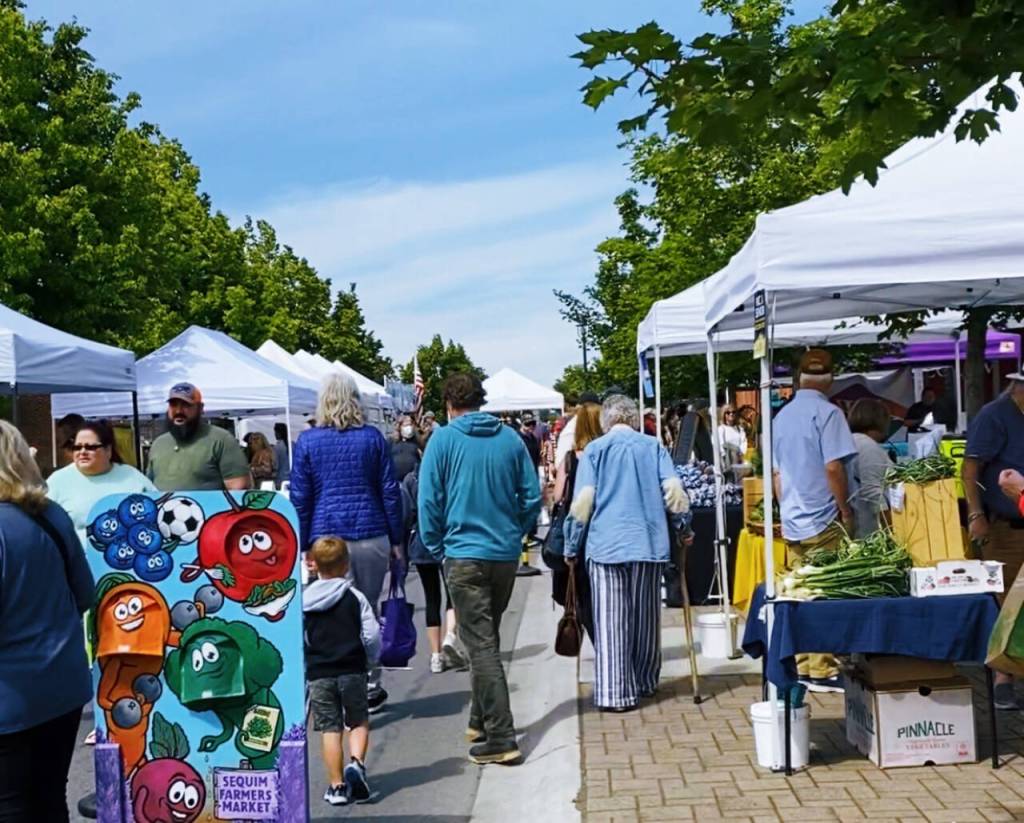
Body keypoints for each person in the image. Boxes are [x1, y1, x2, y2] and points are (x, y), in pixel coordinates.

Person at [418, 373, 541, 765]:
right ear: (480, 400)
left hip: (464, 553)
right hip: (503, 554)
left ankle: (502, 736)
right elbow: (532, 495)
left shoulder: (443, 440)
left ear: (449, 405)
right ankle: (481, 720)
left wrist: (438, 547)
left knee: (481, 644)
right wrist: (516, 531)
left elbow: (429, 502)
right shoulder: (509, 439)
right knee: (485, 637)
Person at [565, 395, 689, 712]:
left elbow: (582, 503)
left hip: (606, 544)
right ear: (633, 419)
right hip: (648, 543)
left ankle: (615, 692)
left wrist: (571, 545)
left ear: (607, 420)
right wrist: (684, 527)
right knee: (645, 617)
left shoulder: (595, 450)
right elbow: (674, 491)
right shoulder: (653, 447)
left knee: (610, 620)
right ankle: (645, 680)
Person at [291, 373, 404, 713]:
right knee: (364, 611)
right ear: (356, 400)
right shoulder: (373, 438)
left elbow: (301, 496)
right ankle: (368, 686)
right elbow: (389, 492)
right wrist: (397, 540)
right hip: (371, 533)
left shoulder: (308, 442)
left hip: (326, 536)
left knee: (330, 614)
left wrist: (303, 544)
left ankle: (333, 685)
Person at [0, 420, 95, 821]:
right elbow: (84, 594)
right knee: (49, 798)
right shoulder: (52, 515)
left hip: (11, 700)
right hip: (63, 685)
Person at [772, 349, 857, 692]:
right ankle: (823, 668)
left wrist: (785, 508)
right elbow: (834, 467)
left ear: (799, 379)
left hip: (792, 515)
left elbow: (777, 474)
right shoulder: (828, 413)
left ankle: (805, 663)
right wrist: (846, 508)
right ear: (830, 380)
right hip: (823, 515)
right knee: (825, 589)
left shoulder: (781, 418)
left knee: (800, 592)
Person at [304, 536, 381, 806]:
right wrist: (370, 660)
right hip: (352, 669)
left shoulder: (303, 601)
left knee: (330, 729)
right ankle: (356, 764)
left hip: (318, 673)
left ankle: (337, 786)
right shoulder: (354, 596)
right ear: (346, 565)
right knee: (357, 720)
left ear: (311, 564)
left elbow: (298, 637)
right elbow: (371, 634)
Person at [964, 372, 1024, 710]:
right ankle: (1004, 678)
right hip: (1006, 525)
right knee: (1009, 603)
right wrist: (976, 515)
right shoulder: (994, 415)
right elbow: (970, 469)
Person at [47, 420, 157, 547]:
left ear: (108, 450)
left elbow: (157, 511)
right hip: (77, 561)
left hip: (126, 559)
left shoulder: (132, 477)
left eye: (91, 447)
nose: (82, 452)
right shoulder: (58, 480)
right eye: (77, 447)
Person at [550, 400, 603, 637]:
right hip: (602, 529)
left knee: (581, 593)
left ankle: (595, 636)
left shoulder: (571, 458)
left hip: (577, 531)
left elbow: (559, 495)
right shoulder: (606, 455)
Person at [403, 464, 461, 673]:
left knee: (431, 598)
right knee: (453, 594)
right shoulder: (450, 475)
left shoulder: (412, 479)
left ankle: (435, 656)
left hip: (421, 543)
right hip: (448, 541)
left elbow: (407, 514)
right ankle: (450, 637)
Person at [146, 383, 252, 491]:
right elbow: (148, 488)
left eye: (186, 405)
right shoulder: (158, 444)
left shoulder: (222, 440)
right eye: (173, 405)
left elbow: (239, 491)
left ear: (200, 408)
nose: (178, 411)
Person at [848, 399, 892, 538]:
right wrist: (891, 529)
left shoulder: (851, 441)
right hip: (869, 531)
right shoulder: (867, 447)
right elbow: (873, 492)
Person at [718, 404, 748, 473]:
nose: (731, 414)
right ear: (724, 415)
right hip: (727, 462)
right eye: (728, 412)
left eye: (733, 412)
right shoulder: (721, 429)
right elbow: (720, 445)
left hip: (739, 460)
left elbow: (744, 442)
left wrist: (741, 454)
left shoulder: (739, 429)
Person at [390, 415, 421, 483]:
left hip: (413, 481)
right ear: (400, 427)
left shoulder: (417, 442)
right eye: (406, 425)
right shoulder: (392, 441)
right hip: (396, 482)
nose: (408, 427)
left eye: (410, 424)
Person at [273, 422, 291, 489]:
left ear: (278, 433)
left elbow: (276, 465)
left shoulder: (277, 447)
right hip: (293, 478)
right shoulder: (293, 444)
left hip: (281, 480)